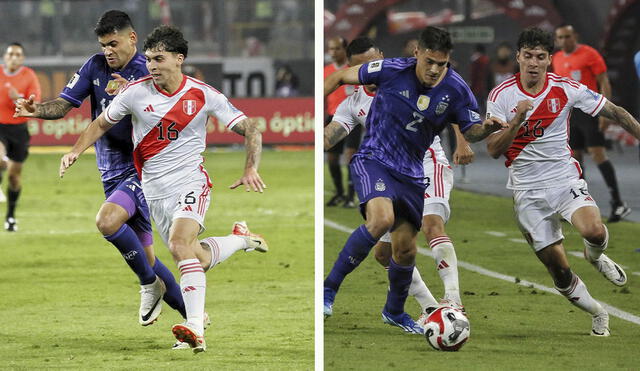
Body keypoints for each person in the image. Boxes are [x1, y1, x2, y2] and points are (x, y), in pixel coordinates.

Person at [57, 25, 267, 354]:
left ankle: (196, 328)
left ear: (179, 59)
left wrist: (250, 166)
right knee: (195, 255)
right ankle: (242, 238)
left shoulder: (203, 94)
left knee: (179, 245)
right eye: (150, 59)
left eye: (159, 59)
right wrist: (74, 151)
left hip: (190, 181)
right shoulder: (136, 92)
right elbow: (100, 123)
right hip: (153, 191)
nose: (152, 65)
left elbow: (251, 128)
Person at [324, 26, 506, 334]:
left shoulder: (456, 88)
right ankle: (328, 291)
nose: (435, 70)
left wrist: (485, 129)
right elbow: (338, 80)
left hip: (413, 170)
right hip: (375, 160)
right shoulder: (386, 74)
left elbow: (470, 127)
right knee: (382, 220)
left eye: (442, 64)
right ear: (416, 54)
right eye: (429, 62)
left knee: (403, 250)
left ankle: (394, 311)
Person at [486, 27, 638, 336]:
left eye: (540, 57)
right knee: (559, 271)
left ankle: (595, 255)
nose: (533, 63)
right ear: (518, 57)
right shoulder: (501, 96)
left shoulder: (567, 88)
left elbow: (616, 111)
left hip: (563, 178)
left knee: (594, 231)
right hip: (526, 191)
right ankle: (598, 312)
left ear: (549, 60)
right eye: (527, 56)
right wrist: (517, 120)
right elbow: (492, 149)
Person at [552, 24, 630, 222]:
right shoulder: (558, 58)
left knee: (597, 153)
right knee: (575, 159)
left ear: (575, 36)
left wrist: (605, 113)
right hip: (570, 114)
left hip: (590, 111)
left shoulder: (589, 54)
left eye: (567, 36)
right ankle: (578, 204)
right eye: (560, 37)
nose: (564, 40)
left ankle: (618, 202)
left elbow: (604, 82)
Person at [0, 42, 41, 231]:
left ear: (22, 58)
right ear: (5, 56)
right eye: (10, 54)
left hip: (19, 130)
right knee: (0, 159)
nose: (13, 57)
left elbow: (35, 106)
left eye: (17, 54)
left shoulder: (29, 76)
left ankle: (10, 217)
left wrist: (18, 98)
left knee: (14, 177)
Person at [324, 36, 359, 207]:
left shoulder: (352, 70)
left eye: (337, 48)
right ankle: (339, 193)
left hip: (352, 117)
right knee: (332, 158)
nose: (333, 52)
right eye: (331, 49)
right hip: (332, 117)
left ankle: (351, 197)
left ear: (345, 50)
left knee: (350, 155)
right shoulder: (326, 70)